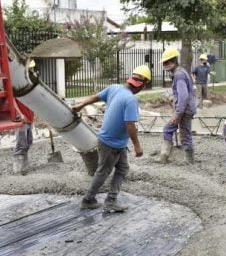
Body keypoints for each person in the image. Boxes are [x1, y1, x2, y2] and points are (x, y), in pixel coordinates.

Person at [72, 65, 151, 212]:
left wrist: (81, 104)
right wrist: (137, 146)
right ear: (143, 85)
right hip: (112, 144)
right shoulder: (131, 100)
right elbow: (130, 124)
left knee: (122, 168)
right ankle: (88, 199)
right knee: (103, 172)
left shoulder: (114, 88)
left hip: (111, 141)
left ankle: (111, 200)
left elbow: (96, 97)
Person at [158, 48, 197, 164]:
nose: (164, 66)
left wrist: (178, 113)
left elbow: (183, 96)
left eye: (166, 63)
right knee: (185, 132)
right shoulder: (181, 72)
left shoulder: (179, 75)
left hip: (184, 110)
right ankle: (187, 158)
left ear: (172, 62)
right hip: (186, 108)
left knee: (170, 129)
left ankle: (165, 156)